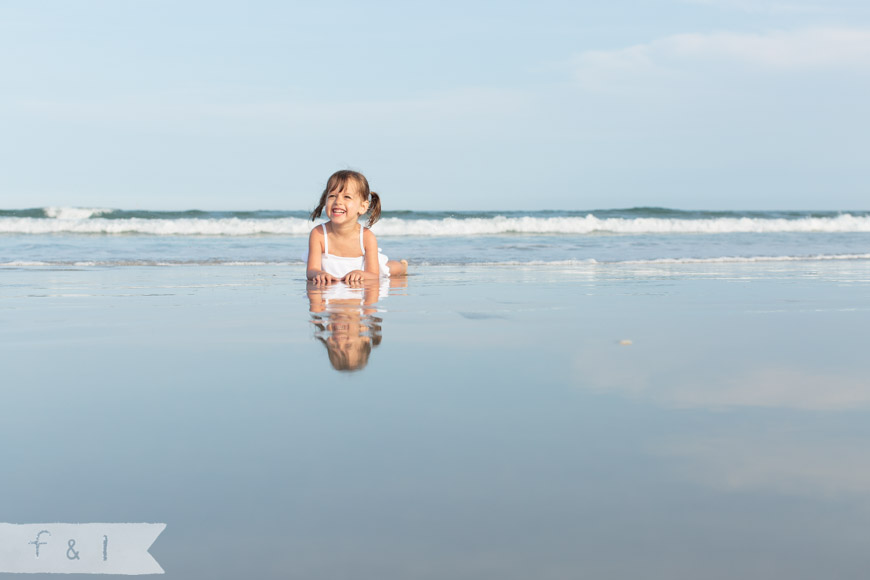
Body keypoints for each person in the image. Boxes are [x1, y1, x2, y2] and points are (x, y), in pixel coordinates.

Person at [306, 170, 407, 284]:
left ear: (362, 207)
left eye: (347, 197)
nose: (338, 201)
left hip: (365, 268)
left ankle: (403, 265)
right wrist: (319, 273)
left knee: (391, 268)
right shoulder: (318, 233)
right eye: (332, 196)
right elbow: (311, 271)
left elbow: (374, 275)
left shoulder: (366, 237)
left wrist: (361, 274)